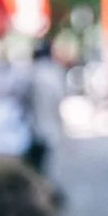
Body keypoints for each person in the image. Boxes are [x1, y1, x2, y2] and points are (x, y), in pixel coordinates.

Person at [23, 39, 65, 175]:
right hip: (48, 127)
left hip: (33, 127)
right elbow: (59, 102)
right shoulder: (54, 73)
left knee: (35, 167)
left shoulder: (31, 74)